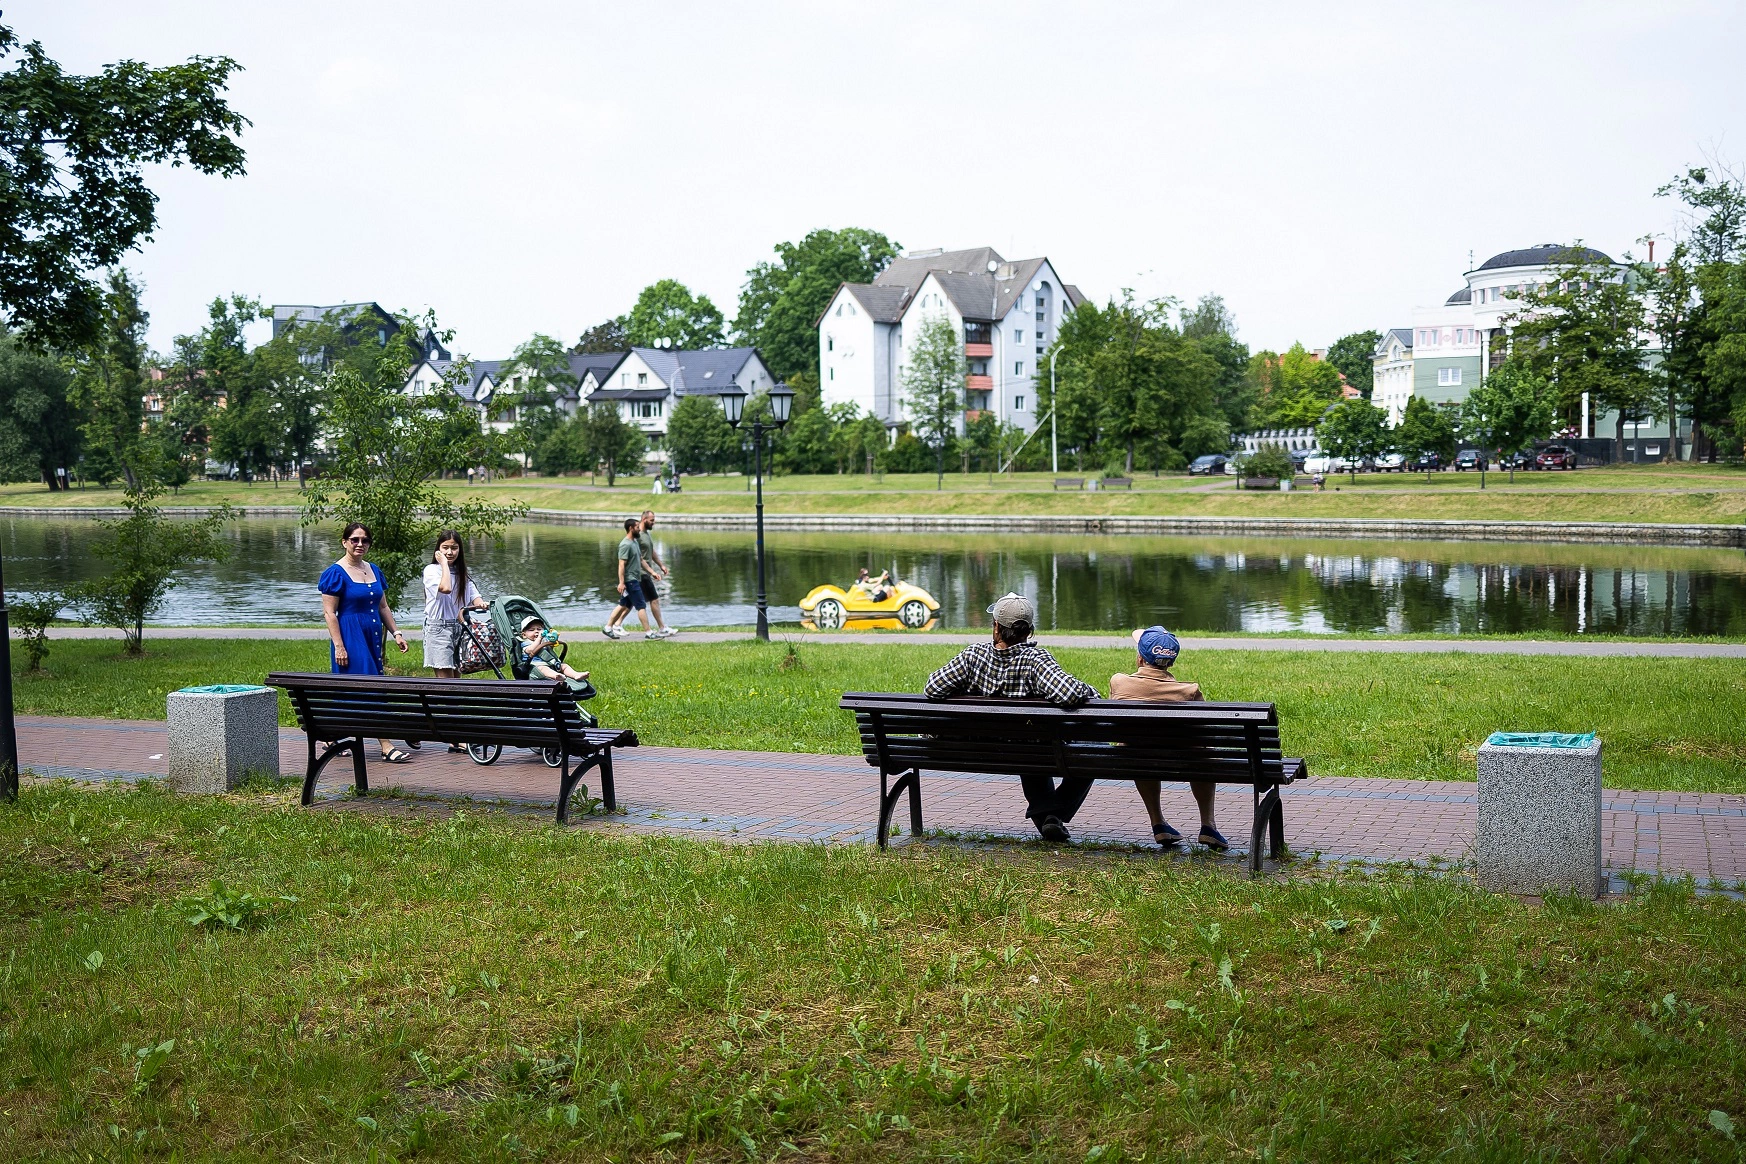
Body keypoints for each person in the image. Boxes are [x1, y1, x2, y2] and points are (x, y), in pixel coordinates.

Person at [924, 592, 1097, 842]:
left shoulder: (973, 656)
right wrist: (1091, 691)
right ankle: (1053, 811)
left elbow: (933, 688)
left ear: (996, 628)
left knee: (1031, 748)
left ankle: (1049, 817)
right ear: (1029, 631)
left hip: (980, 748)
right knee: (1093, 748)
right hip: (1030, 749)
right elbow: (1069, 694)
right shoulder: (1036, 660)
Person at [1109, 626, 1229, 851]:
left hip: (1135, 758)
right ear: (1171, 663)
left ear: (1139, 659)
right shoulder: (1188, 691)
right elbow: (1204, 731)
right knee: (1203, 753)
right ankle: (1208, 825)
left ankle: (1158, 822)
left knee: (1139, 749)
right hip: (1186, 761)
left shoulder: (1118, 682)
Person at [319, 522, 412, 763]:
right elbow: (330, 613)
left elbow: (383, 606)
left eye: (365, 540)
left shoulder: (373, 570)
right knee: (371, 685)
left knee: (354, 686)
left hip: (371, 636)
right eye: (355, 540)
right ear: (345, 542)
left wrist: (396, 633)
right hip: (350, 637)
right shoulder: (335, 573)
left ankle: (331, 734)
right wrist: (339, 645)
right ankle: (386, 744)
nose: (360, 544)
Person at [422, 529, 488, 751]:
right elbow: (445, 588)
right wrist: (442, 565)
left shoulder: (463, 574)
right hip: (438, 628)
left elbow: (474, 596)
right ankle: (445, 732)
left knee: (456, 686)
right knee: (446, 686)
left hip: (458, 629)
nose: (450, 552)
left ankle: (454, 734)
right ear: (438, 550)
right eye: (445, 548)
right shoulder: (432, 570)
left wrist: (481, 603)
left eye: (454, 548)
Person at [602, 516, 657, 640]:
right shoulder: (625, 544)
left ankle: (608, 627)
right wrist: (621, 583)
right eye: (637, 527)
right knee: (641, 606)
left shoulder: (635, 542)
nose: (639, 529)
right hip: (630, 580)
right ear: (631, 528)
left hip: (635, 579)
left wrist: (652, 572)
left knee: (623, 604)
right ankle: (649, 632)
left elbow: (641, 560)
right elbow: (621, 565)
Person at [516, 616, 591, 686]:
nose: (536, 631)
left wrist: (553, 640)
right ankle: (556, 676)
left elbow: (549, 649)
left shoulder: (544, 640)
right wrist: (539, 638)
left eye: (539, 629)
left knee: (564, 666)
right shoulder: (525, 643)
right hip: (534, 666)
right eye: (531, 630)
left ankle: (576, 675)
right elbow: (530, 650)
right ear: (524, 635)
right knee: (543, 669)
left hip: (549, 663)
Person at [637, 510, 677, 637]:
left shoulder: (646, 534)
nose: (654, 523)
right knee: (654, 599)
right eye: (651, 520)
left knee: (628, 602)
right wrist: (652, 571)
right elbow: (636, 556)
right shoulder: (637, 534)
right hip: (641, 573)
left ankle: (613, 625)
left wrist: (661, 565)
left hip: (645, 573)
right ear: (644, 519)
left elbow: (652, 551)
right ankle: (662, 627)